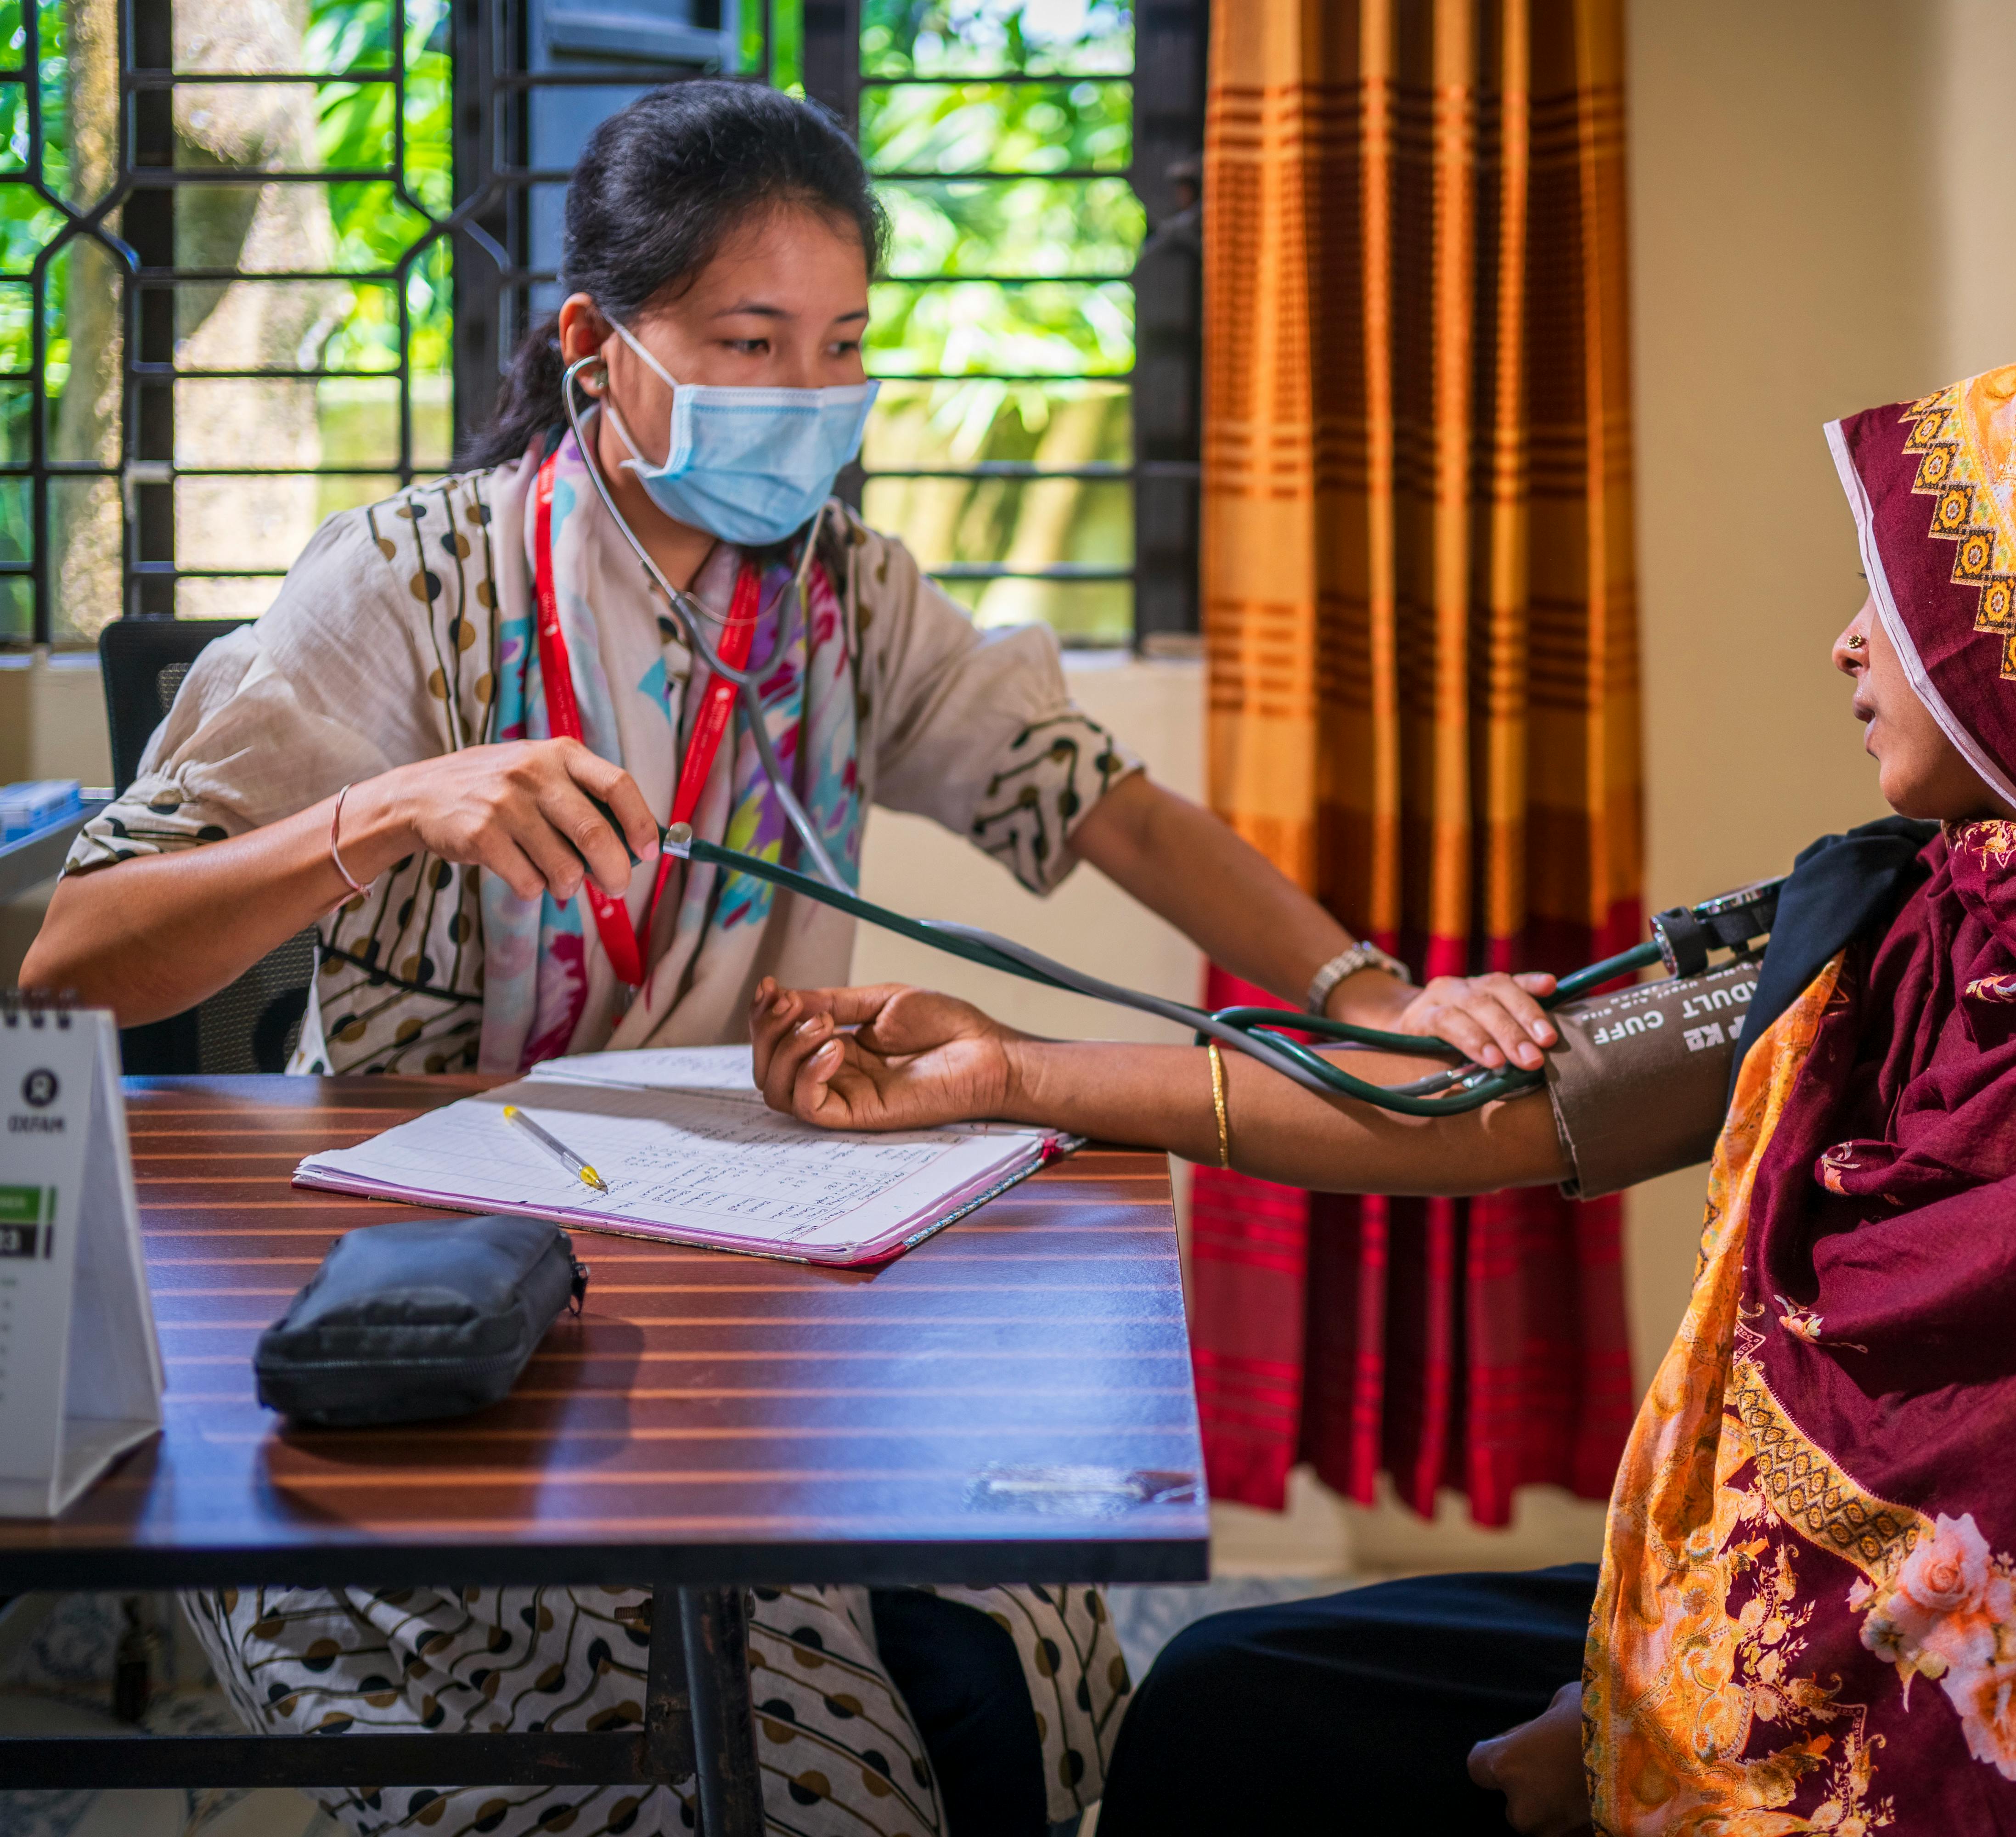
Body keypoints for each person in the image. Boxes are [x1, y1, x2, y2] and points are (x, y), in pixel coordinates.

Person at [747, 353, 2016, 1835]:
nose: (1843, 640)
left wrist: (1646, 1734)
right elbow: (1498, 1108)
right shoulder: (1934, 907)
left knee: (1251, 1751)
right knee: (1227, 1691)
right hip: (1785, 1598)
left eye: (1900, 595)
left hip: (1931, 1739)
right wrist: (1015, 1075)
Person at [19, 79, 1561, 1837]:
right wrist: (389, 812)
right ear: (597, 342)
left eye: (843, 348)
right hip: (455, 1325)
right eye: (751, 341)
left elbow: (1110, 811)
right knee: (765, 1770)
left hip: (762, 1284)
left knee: (1025, 1668)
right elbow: (75, 961)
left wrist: (1365, 994)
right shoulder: (407, 590)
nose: (808, 401)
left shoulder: (846, 596)